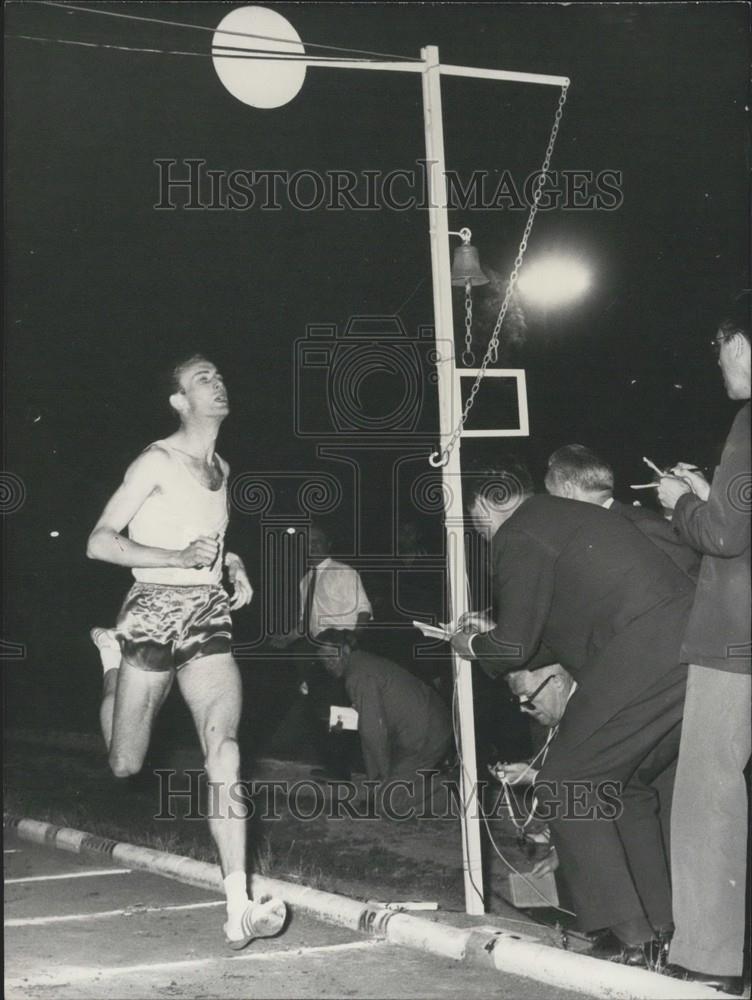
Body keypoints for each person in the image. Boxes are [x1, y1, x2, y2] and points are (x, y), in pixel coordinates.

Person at [450, 459, 695, 967]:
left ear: (486, 502)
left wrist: (469, 642)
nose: (476, 529)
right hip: (682, 647)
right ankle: (663, 934)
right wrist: (491, 633)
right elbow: (545, 635)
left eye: (472, 517)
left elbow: (514, 647)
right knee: (623, 785)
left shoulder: (518, 531)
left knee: (566, 782)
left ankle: (631, 938)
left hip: (646, 649)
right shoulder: (556, 519)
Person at [86, 353, 286, 950]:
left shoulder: (222, 465)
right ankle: (109, 664)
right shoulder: (156, 460)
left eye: (220, 376)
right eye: (203, 378)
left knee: (224, 751)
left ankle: (237, 908)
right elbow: (98, 542)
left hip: (207, 615)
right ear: (178, 400)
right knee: (125, 763)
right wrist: (174, 560)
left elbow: (209, 537)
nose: (218, 383)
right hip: (151, 609)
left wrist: (234, 563)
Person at [656, 307, 751, 996]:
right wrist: (710, 490)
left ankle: (705, 957)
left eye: (719, 348)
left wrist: (678, 504)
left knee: (706, 793)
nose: (718, 362)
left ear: (742, 344)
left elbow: (723, 537)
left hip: (735, 638)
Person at [271, 523, 372, 780]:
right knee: (318, 709)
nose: (312, 546)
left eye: (318, 541)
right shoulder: (306, 581)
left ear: (329, 545)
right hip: (316, 652)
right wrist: (286, 638)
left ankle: (342, 769)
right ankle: (331, 765)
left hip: (340, 647)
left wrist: (350, 643)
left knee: (341, 710)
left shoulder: (344, 572)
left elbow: (363, 611)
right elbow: (307, 624)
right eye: (308, 542)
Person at [315, 628, 452, 812]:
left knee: (389, 804)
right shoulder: (362, 663)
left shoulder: (358, 675)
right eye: (324, 660)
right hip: (425, 728)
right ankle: (443, 786)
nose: (329, 664)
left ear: (346, 649)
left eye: (332, 656)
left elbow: (373, 732)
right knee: (384, 795)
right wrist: (375, 782)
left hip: (426, 735)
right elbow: (368, 728)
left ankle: (454, 785)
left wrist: (383, 776)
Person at [544, 444, 700, 580]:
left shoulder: (644, 526)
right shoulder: (589, 531)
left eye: (553, 495)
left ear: (567, 490)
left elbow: (693, 586)